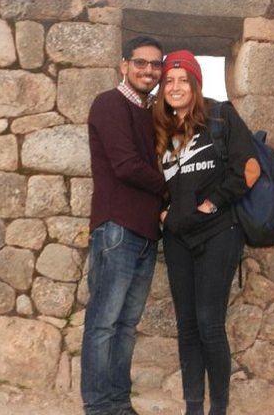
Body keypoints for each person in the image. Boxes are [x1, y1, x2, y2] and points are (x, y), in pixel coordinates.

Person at [153, 50, 260, 415]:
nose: (176, 86)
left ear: (196, 84)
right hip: (178, 238)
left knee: (208, 324)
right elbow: (149, 179)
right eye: (169, 80)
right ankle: (193, 408)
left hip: (218, 232)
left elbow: (248, 169)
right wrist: (163, 211)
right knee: (186, 327)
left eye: (184, 80)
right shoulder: (159, 130)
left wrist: (209, 205)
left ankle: (219, 409)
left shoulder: (220, 116)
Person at [81, 36, 166, 415]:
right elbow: (126, 165)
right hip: (116, 228)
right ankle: (99, 406)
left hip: (146, 233)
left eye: (155, 64)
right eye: (140, 62)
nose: (148, 70)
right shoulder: (109, 104)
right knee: (103, 324)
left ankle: (118, 402)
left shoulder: (151, 114)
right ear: (123, 65)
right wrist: (173, 189)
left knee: (127, 326)